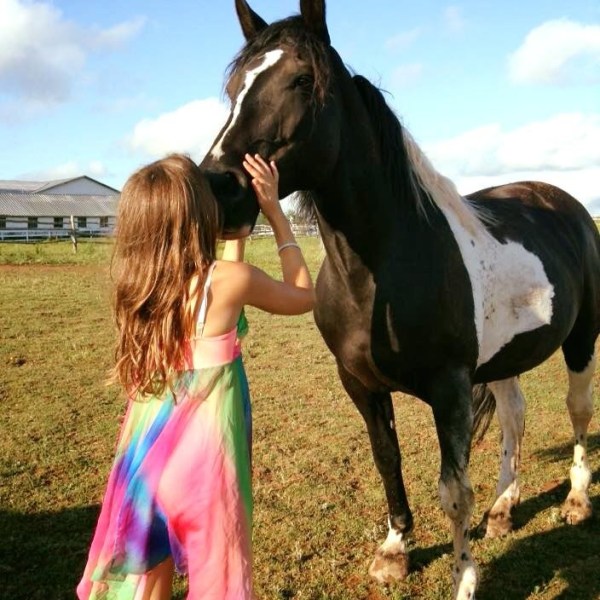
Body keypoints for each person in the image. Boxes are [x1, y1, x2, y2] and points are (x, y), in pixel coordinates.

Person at [77, 153, 314, 600]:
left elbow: (223, 314)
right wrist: (276, 215)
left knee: (150, 577)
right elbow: (304, 295)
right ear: (196, 215)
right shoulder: (229, 281)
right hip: (205, 463)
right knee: (218, 575)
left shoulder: (139, 285)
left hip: (146, 456)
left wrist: (236, 237)